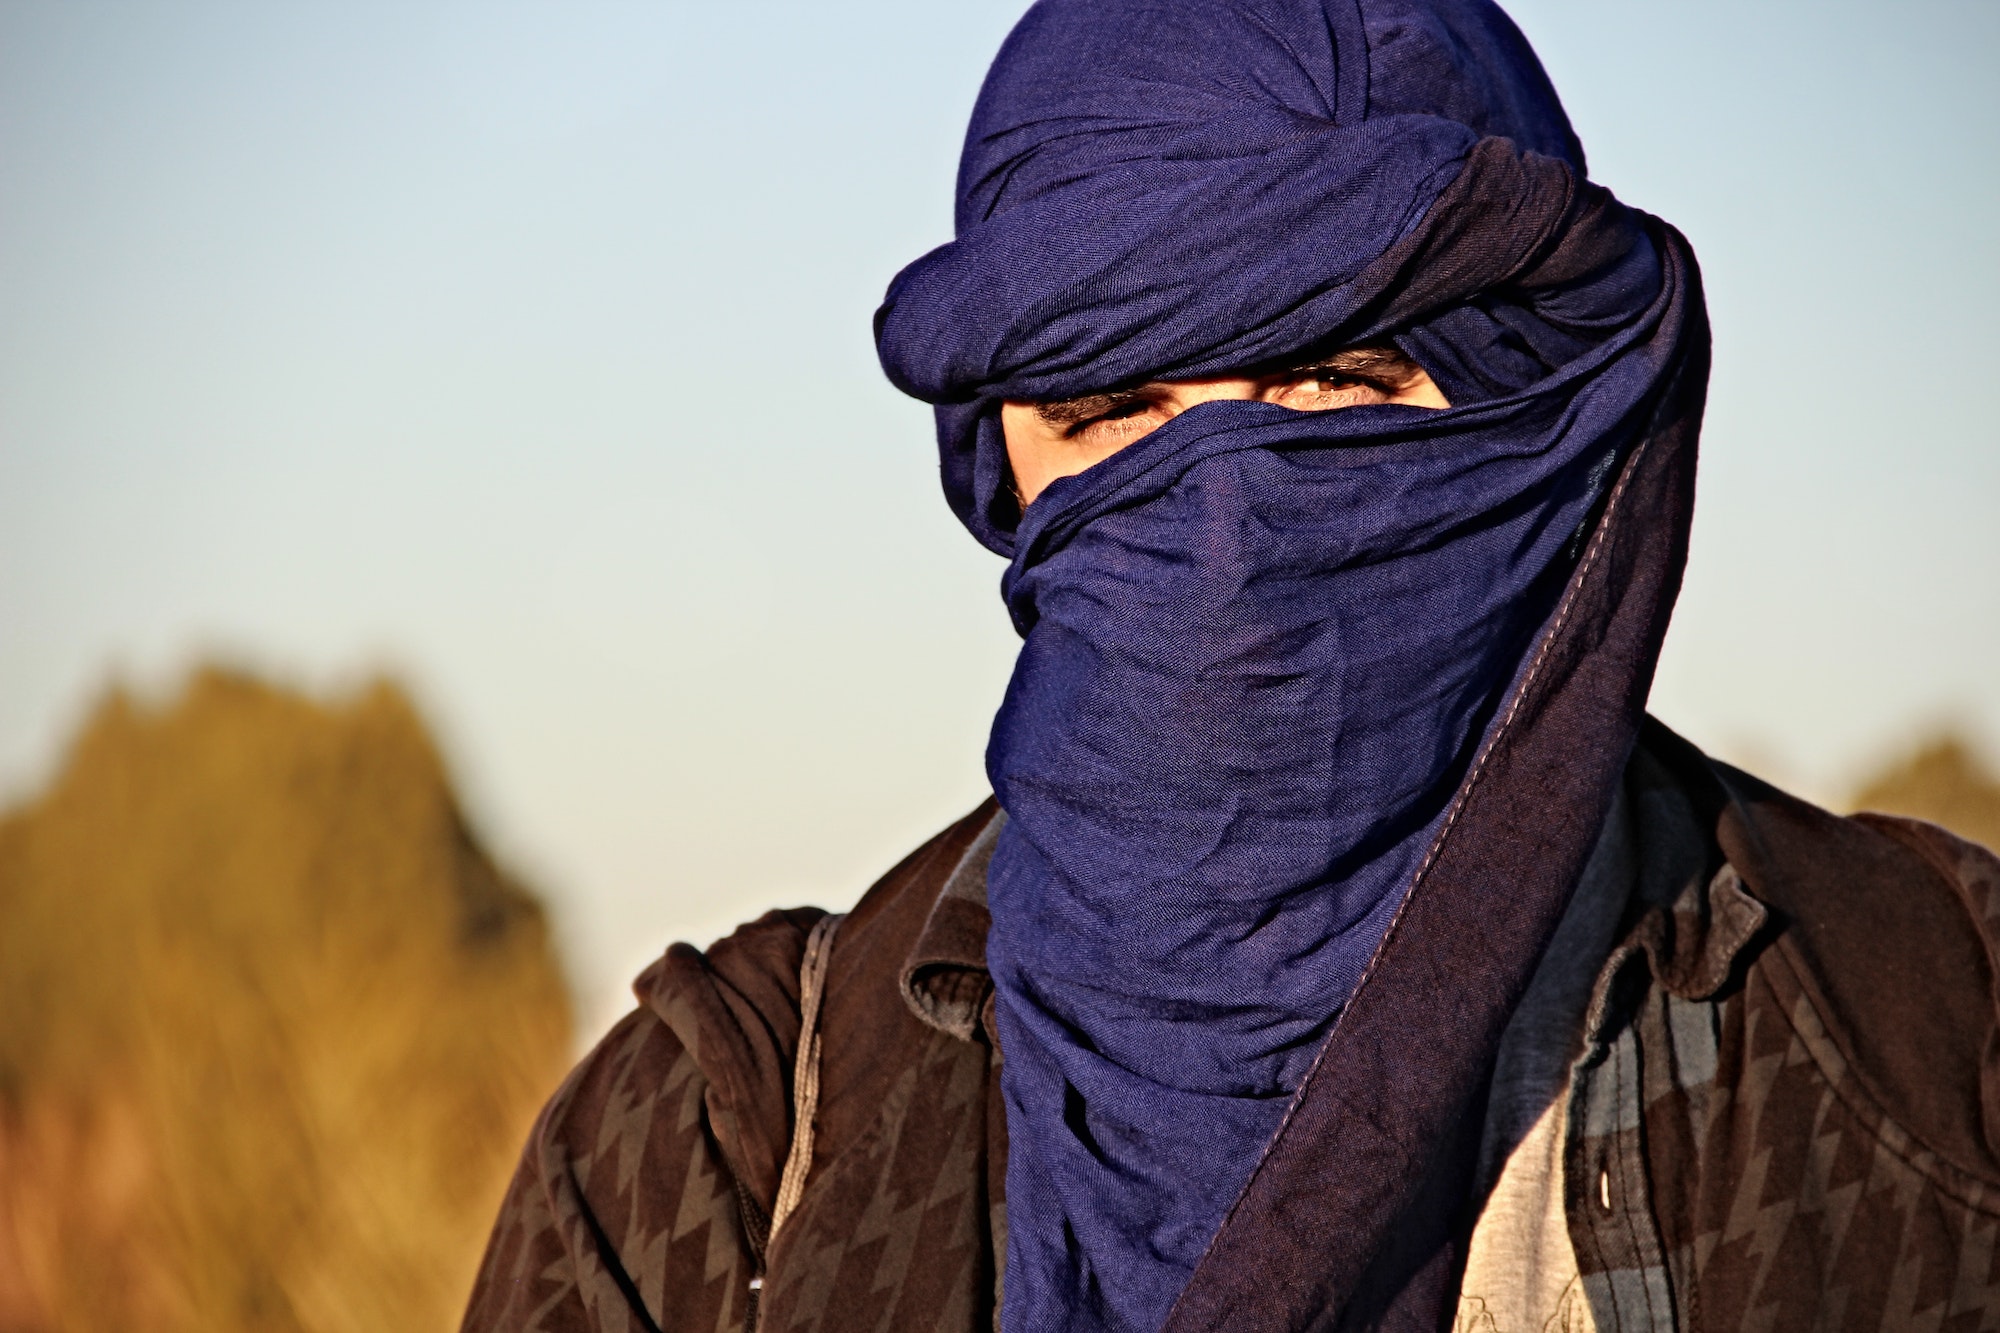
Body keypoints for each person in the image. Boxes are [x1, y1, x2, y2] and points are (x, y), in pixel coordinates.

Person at [462, 1, 2000, 1329]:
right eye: (1115, 410)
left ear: (1536, 416)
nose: (1217, 523)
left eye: (1331, 375)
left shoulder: (1941, 1061)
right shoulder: (710, 1162)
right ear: (1008, 465)